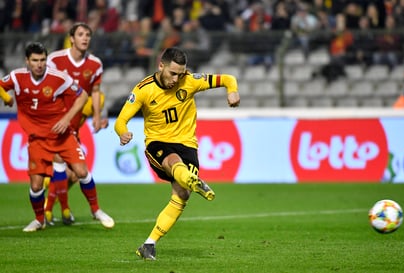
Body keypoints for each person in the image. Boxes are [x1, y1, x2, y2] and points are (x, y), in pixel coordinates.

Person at [114, 47, 240, 260]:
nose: (176, 78)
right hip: (158, 143)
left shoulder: (189, 80)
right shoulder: (144, 89)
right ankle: (194, 180)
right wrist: (123, 133)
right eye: (173, 73)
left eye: (180, 74)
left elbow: (228, 78)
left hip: (187, 144)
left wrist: (232, 91)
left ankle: (148, 245)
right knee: (173, 161)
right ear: (160, 66)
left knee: (182, 195)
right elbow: (120, 121)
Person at [0, 42, 113, 232]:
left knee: (82, 171)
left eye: (43, 60)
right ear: (27, 61)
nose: (39, 64)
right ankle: (39, 219)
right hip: (37, 139)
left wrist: (66, 119)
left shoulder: (58, 78)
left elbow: (82, 95)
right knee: (36, 186)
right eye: (35, 60)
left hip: (62, 136)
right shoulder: (17, 77)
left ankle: (96, 210)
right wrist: (7, 98)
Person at [45, 22, 112, 227]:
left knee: (74, 174)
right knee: (68, 167)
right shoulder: (55, 60)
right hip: (56, 123)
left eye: (88, 35)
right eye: (81, 34)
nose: (85, 38)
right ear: (71, 38)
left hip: (75, 126)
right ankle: (51, 211)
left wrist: (97, 117)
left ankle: (53, 204)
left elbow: (95, 93)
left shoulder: (95, 64)